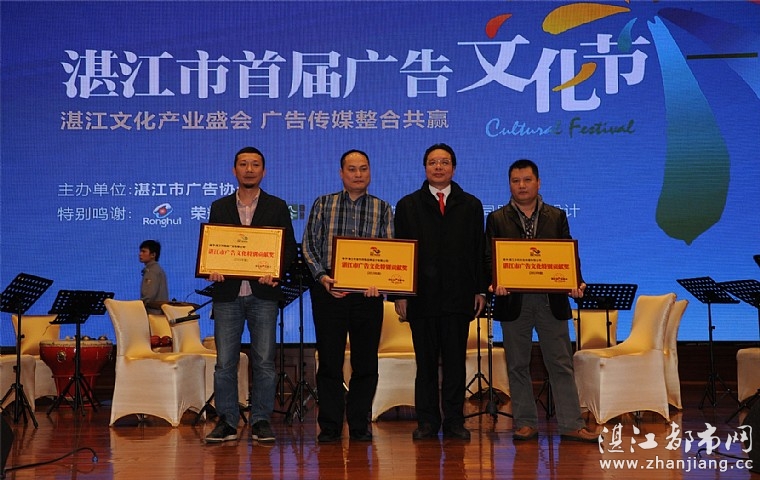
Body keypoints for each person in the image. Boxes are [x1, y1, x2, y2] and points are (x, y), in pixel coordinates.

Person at [484, 158, 597, 442]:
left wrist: (576, 281)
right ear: (509, 184)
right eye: (515, 181)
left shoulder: (556, 216)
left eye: (527, 180)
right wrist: (494, 283)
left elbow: (567, 254)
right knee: (517, 365)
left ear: (538, 182)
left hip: (551, 301)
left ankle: (571, 424)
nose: (521, 186)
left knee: (560, 364)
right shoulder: (496, 218)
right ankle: (525, 423)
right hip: (513, 302)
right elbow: (489, 258)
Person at [393, 143, 486, 441]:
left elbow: (479, 251)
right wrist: (400, 294)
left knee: (455, 364)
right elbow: (401, 254)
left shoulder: (471, 205)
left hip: (458, 298)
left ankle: (455, 421)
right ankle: (427, 421)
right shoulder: (408, 205)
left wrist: (480, 290)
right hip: (421, 299)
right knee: (426, 366)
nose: (438, 167)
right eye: (433, 162)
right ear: (425, 168)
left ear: (453, 168)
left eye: (444, 162)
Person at [204, 146, 297, 444]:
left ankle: (261, 420)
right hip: (227, 295)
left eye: (255, 164)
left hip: (263, 295)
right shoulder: (219, 206)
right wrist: (212, 268)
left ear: (263, 171)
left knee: (265, 362)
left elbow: (288, 249)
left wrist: (276, 271)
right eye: (243, 164)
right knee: (225, 363)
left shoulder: (277, 206)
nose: (249, 169)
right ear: (234, 170)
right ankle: (227, 421)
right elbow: (214, 247)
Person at [302, 149, 394, 443]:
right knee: (329, 361)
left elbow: (390, 251)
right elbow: (308, 246)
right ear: (341, 173)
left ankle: (359, 424)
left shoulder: (383, 208)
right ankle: (330, 425)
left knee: (366, 363)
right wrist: (322, 277)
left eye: (363, 168)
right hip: (330, 289)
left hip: (368, 293)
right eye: (352, 169)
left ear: (370, 172)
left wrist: (379, 282)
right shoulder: (323, 203)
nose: (358, 174)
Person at [139, 239, 169, 314]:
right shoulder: (157, 269)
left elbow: (148, 296)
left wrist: (136, 308)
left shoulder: (152, 271)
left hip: (153, 314)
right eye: (140, 251)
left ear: (153, 255)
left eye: (143, 251)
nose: (140, 254)